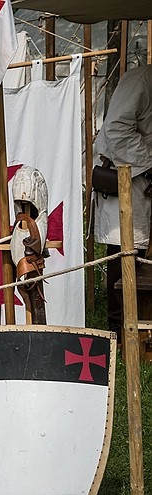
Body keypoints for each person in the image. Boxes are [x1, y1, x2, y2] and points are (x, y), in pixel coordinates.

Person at [93, 64, 152, 338]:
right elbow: (116, 130)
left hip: (143, 178)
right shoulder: (141, 80)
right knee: (126, 253)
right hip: (126, 176)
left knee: (142, 257)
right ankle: (118, 332)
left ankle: (142, 324)